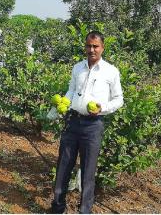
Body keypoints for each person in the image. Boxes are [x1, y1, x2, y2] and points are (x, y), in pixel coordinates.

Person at [51, 31, 123, 214]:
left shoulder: (111, 71)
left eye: (95, 46)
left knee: (88, 171)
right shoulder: (77, 68)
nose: (91, 49)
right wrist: (64, 102)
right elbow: (71, 90)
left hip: (93, 125)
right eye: (89, 46)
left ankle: (85, 211)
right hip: (73, 122)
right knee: (63, 166)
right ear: (85, 46)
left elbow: (118, 99)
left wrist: (102, 108)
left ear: (102, 48)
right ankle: (57, 207)